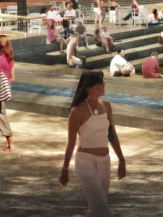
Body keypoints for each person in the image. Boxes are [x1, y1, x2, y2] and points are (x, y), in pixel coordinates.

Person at [59, 70, 126, 217]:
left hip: (105, 162)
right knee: (101, 208)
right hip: (85, 162)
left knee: (98, 206)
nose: (104, 84)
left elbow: (112, 134)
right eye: (101, 82)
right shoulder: (77, 111)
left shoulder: (106, 105)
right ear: (91, 87)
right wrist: (65, 169)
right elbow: (70, 143)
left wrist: (121, 160)